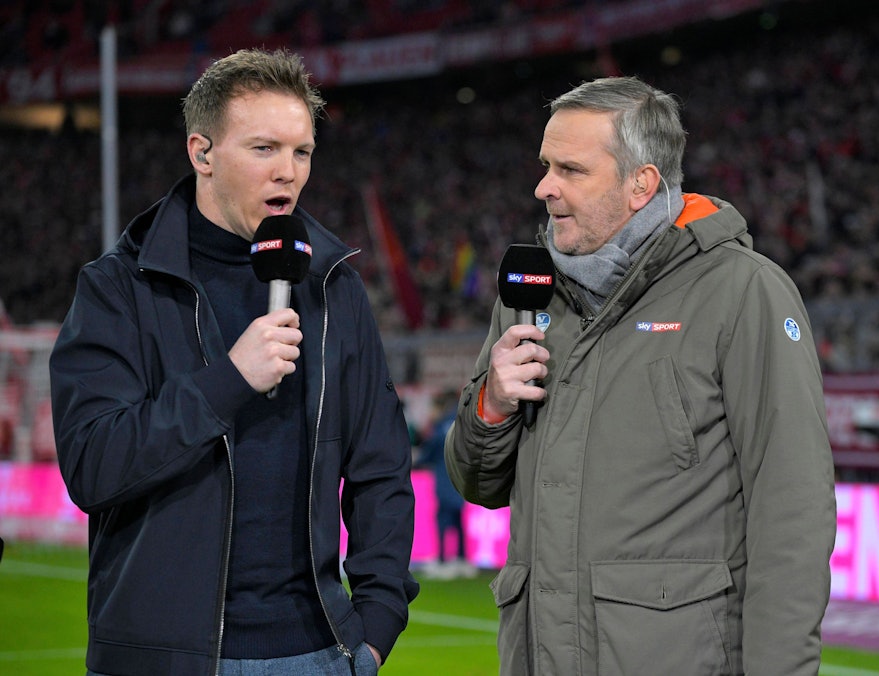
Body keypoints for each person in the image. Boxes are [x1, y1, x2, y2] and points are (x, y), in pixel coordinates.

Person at [444, 76, 836, 675]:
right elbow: (477, 484)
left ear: (640, 185)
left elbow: (792, 512)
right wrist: (490, 407)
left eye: (570, 170)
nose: (543, 187)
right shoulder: (527, 299)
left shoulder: (741, 291)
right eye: (546, 165)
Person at [50, 48, 418, 676]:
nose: (289, 173)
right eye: (263, 149)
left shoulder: (333, 287)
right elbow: (92, 467)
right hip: (167, 661)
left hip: (319, 655)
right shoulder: (119, 287)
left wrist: (377, 623)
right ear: (202, 154)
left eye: (301, 151)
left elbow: (380, 469)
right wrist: (228, 381)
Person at [416, 389, 475, 579]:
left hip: (444, 479)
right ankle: (462, 559)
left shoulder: (440, 424)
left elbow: (428, 453)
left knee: (442, 520)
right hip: (462, 480)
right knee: (458, 520)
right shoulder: (463, 422)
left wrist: (414, 461)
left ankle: (442, 561)